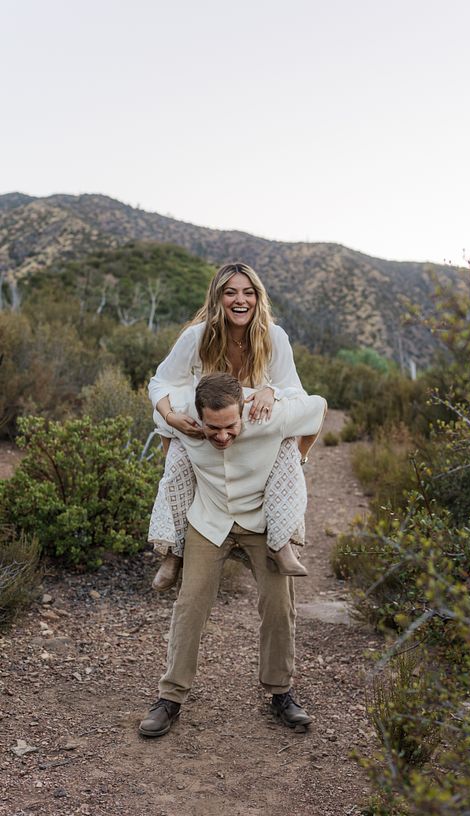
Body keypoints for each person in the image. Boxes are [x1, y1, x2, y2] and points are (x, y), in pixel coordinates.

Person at [139, 373, 326, 737]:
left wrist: (299, 456)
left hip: (260, 521)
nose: (223, 436)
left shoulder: (272, 417)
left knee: (279, 602)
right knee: (190, 603)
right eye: (213, 428)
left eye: (230, 427)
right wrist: (175, 448)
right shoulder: (182, 416)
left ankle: (281, 693)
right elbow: (161, 412)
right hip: (208, 519)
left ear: (242, 410)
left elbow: (319, 409)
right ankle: (170, 697)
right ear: (198, 415)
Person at [148, 262, 311, 591]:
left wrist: (271, 391)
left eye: (248, 293)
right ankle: (174, 552)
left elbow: (296, 391)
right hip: (210, 427)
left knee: (288, 445)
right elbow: (160, 382)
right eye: (231, 292)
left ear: (258, 298)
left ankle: (283, 542)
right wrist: (169, 416)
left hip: (254, 427)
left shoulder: (274, 336)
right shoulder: (197, 336)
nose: (240, 300)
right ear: (217, 297)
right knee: (176, 440)